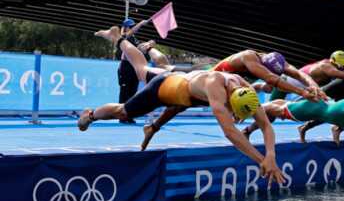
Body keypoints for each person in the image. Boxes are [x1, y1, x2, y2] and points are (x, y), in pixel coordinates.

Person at [76, 35, 285, 184]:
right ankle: (92, 113)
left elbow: (265, 124)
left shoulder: (245, 89)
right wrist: (261, 160)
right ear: (229, 100)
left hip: (185, 84)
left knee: (162, 71)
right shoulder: (216, 89)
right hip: (165, 88)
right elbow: (230, 132)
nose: (234, 116)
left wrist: (271, 155)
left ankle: (142, 49)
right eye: (233, 111)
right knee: (125, 106)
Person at [212, 49, 324, 101]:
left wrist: (315, 86)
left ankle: (260, 87)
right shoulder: (248, 57)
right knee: (271, 84)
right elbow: (271, 79)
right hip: (213, 79)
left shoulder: (281, 63)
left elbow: (300, 74)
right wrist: (302, 92)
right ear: (263, 66)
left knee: (269, 88)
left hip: (236, 81)